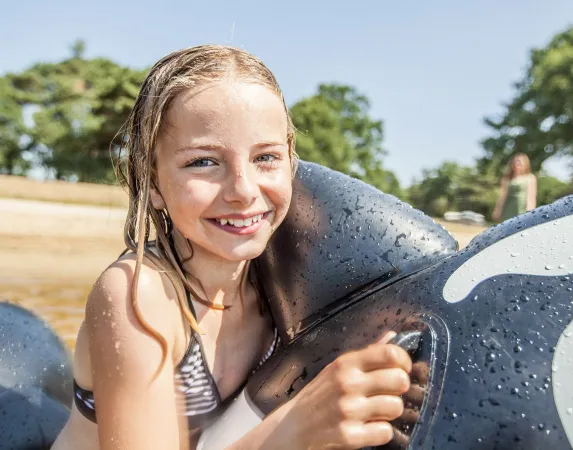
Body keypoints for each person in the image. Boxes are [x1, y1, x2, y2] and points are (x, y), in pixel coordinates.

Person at [51, 45, 413, 450]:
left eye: (266, 158)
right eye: (203, 161)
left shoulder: (287, 276)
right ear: (152, 181)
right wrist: (295, 427)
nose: (243, 191)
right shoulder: (139, 295)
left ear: (291, 161)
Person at [492, 153, 537, 222]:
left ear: (525, 163)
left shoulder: (530, 178)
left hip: (521, 209)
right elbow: (502, 196)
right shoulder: (507, 178)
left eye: (519, 161)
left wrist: (530, 213)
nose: (517, 163)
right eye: (515, 161)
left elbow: (531, 197)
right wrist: (498, 210)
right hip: (507, 208)